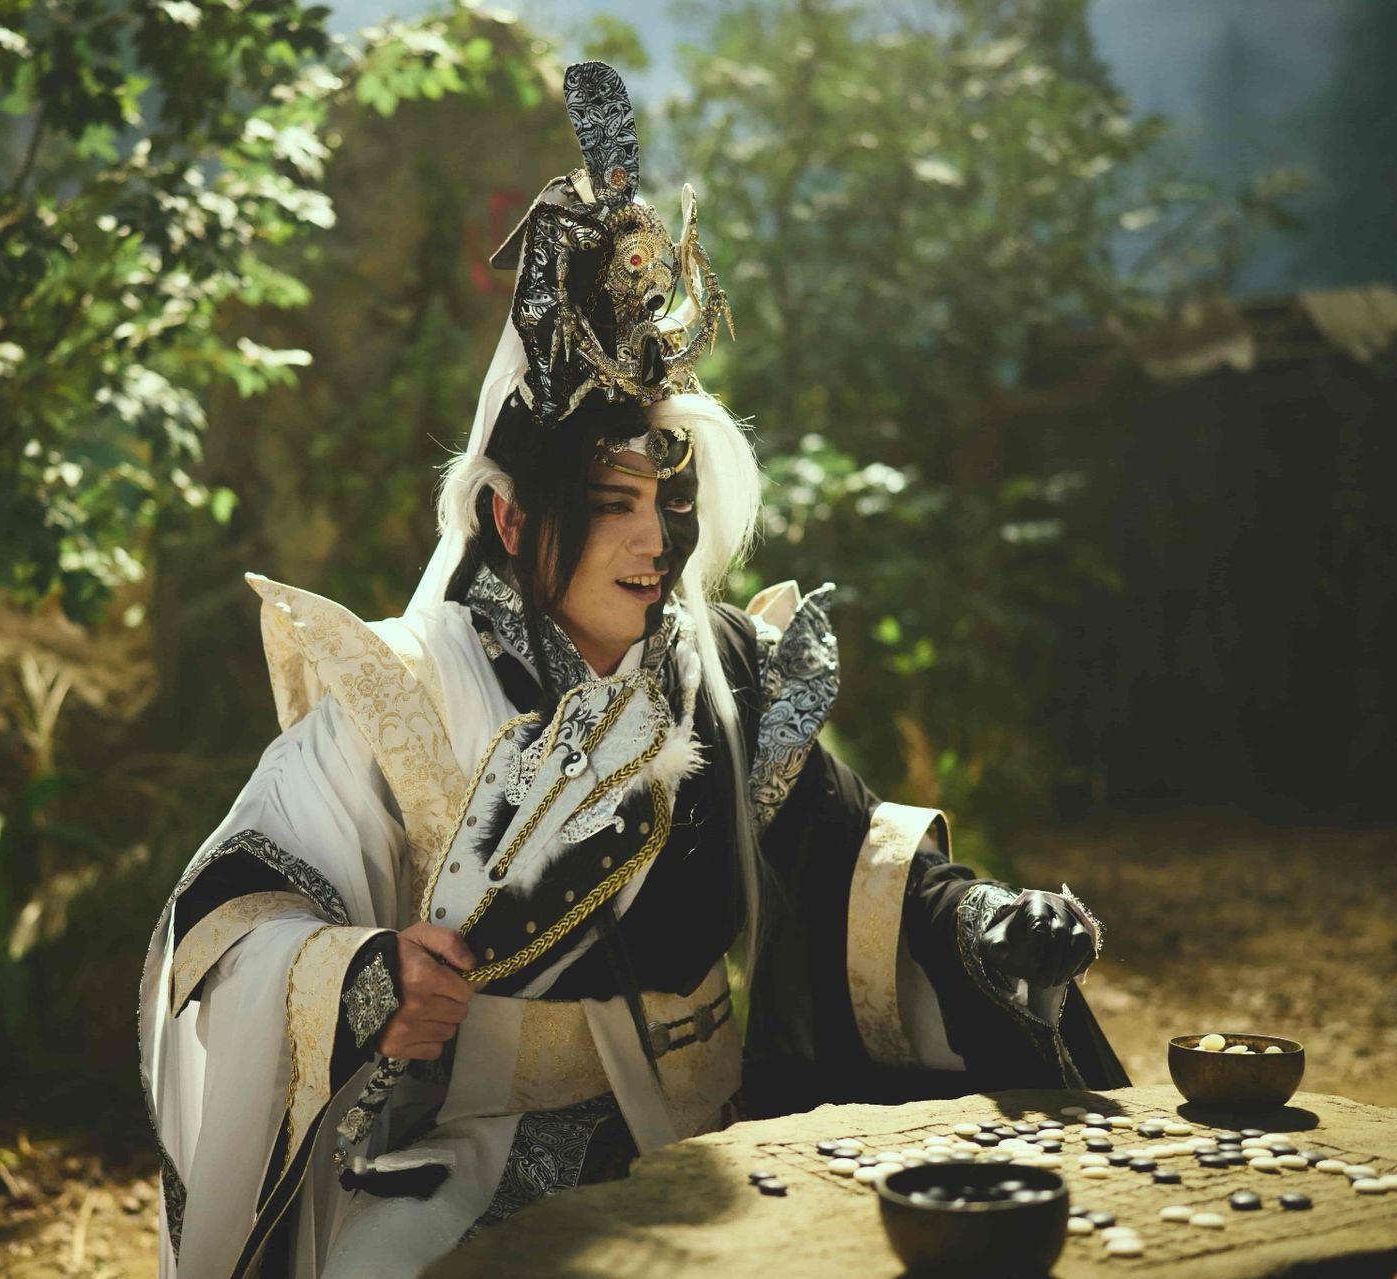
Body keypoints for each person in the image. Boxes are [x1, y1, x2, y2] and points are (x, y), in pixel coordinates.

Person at [137, 61, 1126, 1279]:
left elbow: (849, 869)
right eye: (611, 504)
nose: (656, 541)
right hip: (478, 1156)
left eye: (668, 501)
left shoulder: (723, 673)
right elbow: (235, 917)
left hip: (718, 1141)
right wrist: (364, 978)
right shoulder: (402, 696)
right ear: (508, 520)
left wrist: (981, 922)